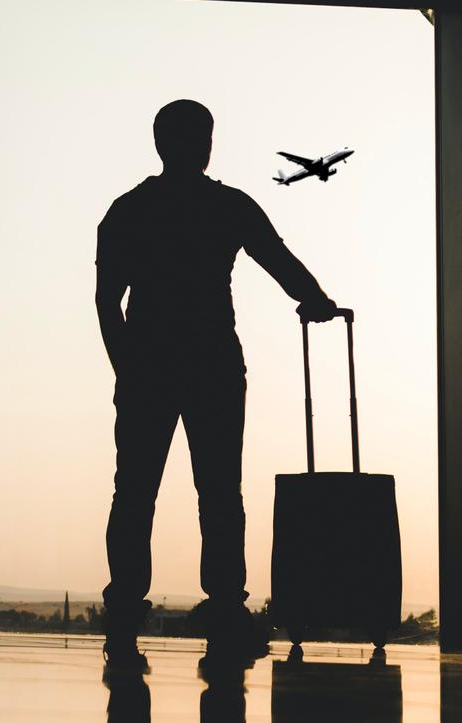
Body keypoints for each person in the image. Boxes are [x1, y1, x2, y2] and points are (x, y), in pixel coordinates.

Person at [95, 99, 338, 667]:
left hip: (150, 366)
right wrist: (317, 300)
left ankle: (125, 611)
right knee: (221, 494)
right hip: (213, 366)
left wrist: (127, 368)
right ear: (204, 144)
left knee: (135, 493)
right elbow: (277, 259)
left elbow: (108, 301)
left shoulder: (129, 210)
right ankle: (226, 607)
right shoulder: (227, 206)